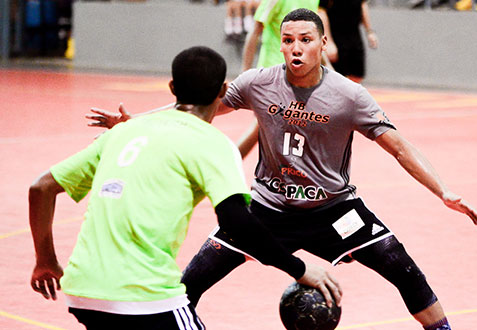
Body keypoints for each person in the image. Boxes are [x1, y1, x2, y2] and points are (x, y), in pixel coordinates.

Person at [88, 9, 477, 330]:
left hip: (333, 210)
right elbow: (195, 108)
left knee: (405, 270)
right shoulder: (258, 83)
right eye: (289, 40)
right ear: (280, 45)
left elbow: (398, 147)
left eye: (306, 40)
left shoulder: (349, 95)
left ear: (323, 45)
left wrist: (444, 191)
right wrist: (132, 121)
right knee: (186, 287)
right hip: (267, 210)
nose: (296, 48)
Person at [29, 45, 341, 329]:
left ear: (172, 88)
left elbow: (41, 187)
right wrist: (299, 268)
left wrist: (45, 261)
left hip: (82, 292)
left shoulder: (123, 133)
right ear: (222, 91)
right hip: (143, 296)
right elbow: (237, 223)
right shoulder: (212, 145)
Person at [318, 0, 378, 83]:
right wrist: (329, 42)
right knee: (337, 75)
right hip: (336, 36)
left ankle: (350, 94)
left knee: (357, 74)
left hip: (354, 34)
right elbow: (321, 12)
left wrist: (369, 31)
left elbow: (363, 5)